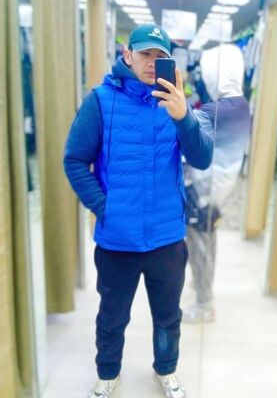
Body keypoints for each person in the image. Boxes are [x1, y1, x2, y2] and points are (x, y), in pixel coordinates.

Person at [64, 24, 213, 398]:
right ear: (127, 54)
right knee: (112, 318)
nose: (152, 62)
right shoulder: (100, 101)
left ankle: (166, 371)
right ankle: (108, 374)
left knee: (168, 317)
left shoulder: (177, 102)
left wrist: (184, 116)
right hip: (118, 239)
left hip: (167, 237)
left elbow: (202, 158)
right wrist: (104, 208)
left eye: (161, 57)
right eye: (145, 54)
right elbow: (75, 160)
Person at [183, 44, 251, 323]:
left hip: (205, 189)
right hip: (214, 188)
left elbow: (190, 135)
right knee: (207, 240)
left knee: (199, 244)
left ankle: (204, 304)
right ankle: (203, 287)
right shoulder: (237, 106)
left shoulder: (221, 111)